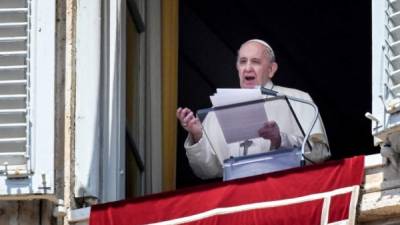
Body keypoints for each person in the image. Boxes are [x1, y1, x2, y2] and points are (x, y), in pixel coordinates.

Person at [177, 39, 330, 179]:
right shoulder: (218, 108)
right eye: (243, 62)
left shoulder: (298, 99)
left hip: (284, 193)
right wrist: (197, 135)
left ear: (271, 69)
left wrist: (280, 139)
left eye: (255, 62)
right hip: (237, 198)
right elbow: (207, 172)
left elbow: (319, 154)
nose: (247, 68)